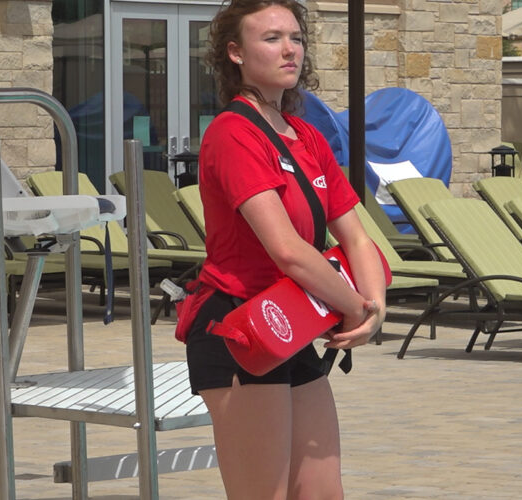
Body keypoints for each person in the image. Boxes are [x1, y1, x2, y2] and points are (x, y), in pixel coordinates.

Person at [185, 0, 388, 497]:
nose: (289, 49)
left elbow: (357, 237)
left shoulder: (307, 137)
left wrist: (374, 310)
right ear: (235, 53)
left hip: (294, 324)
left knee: (322, 493)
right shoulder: (233, 133)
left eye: (295, 37)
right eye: (271, 38)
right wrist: (353, 307)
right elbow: (288, 251)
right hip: (240, 328)